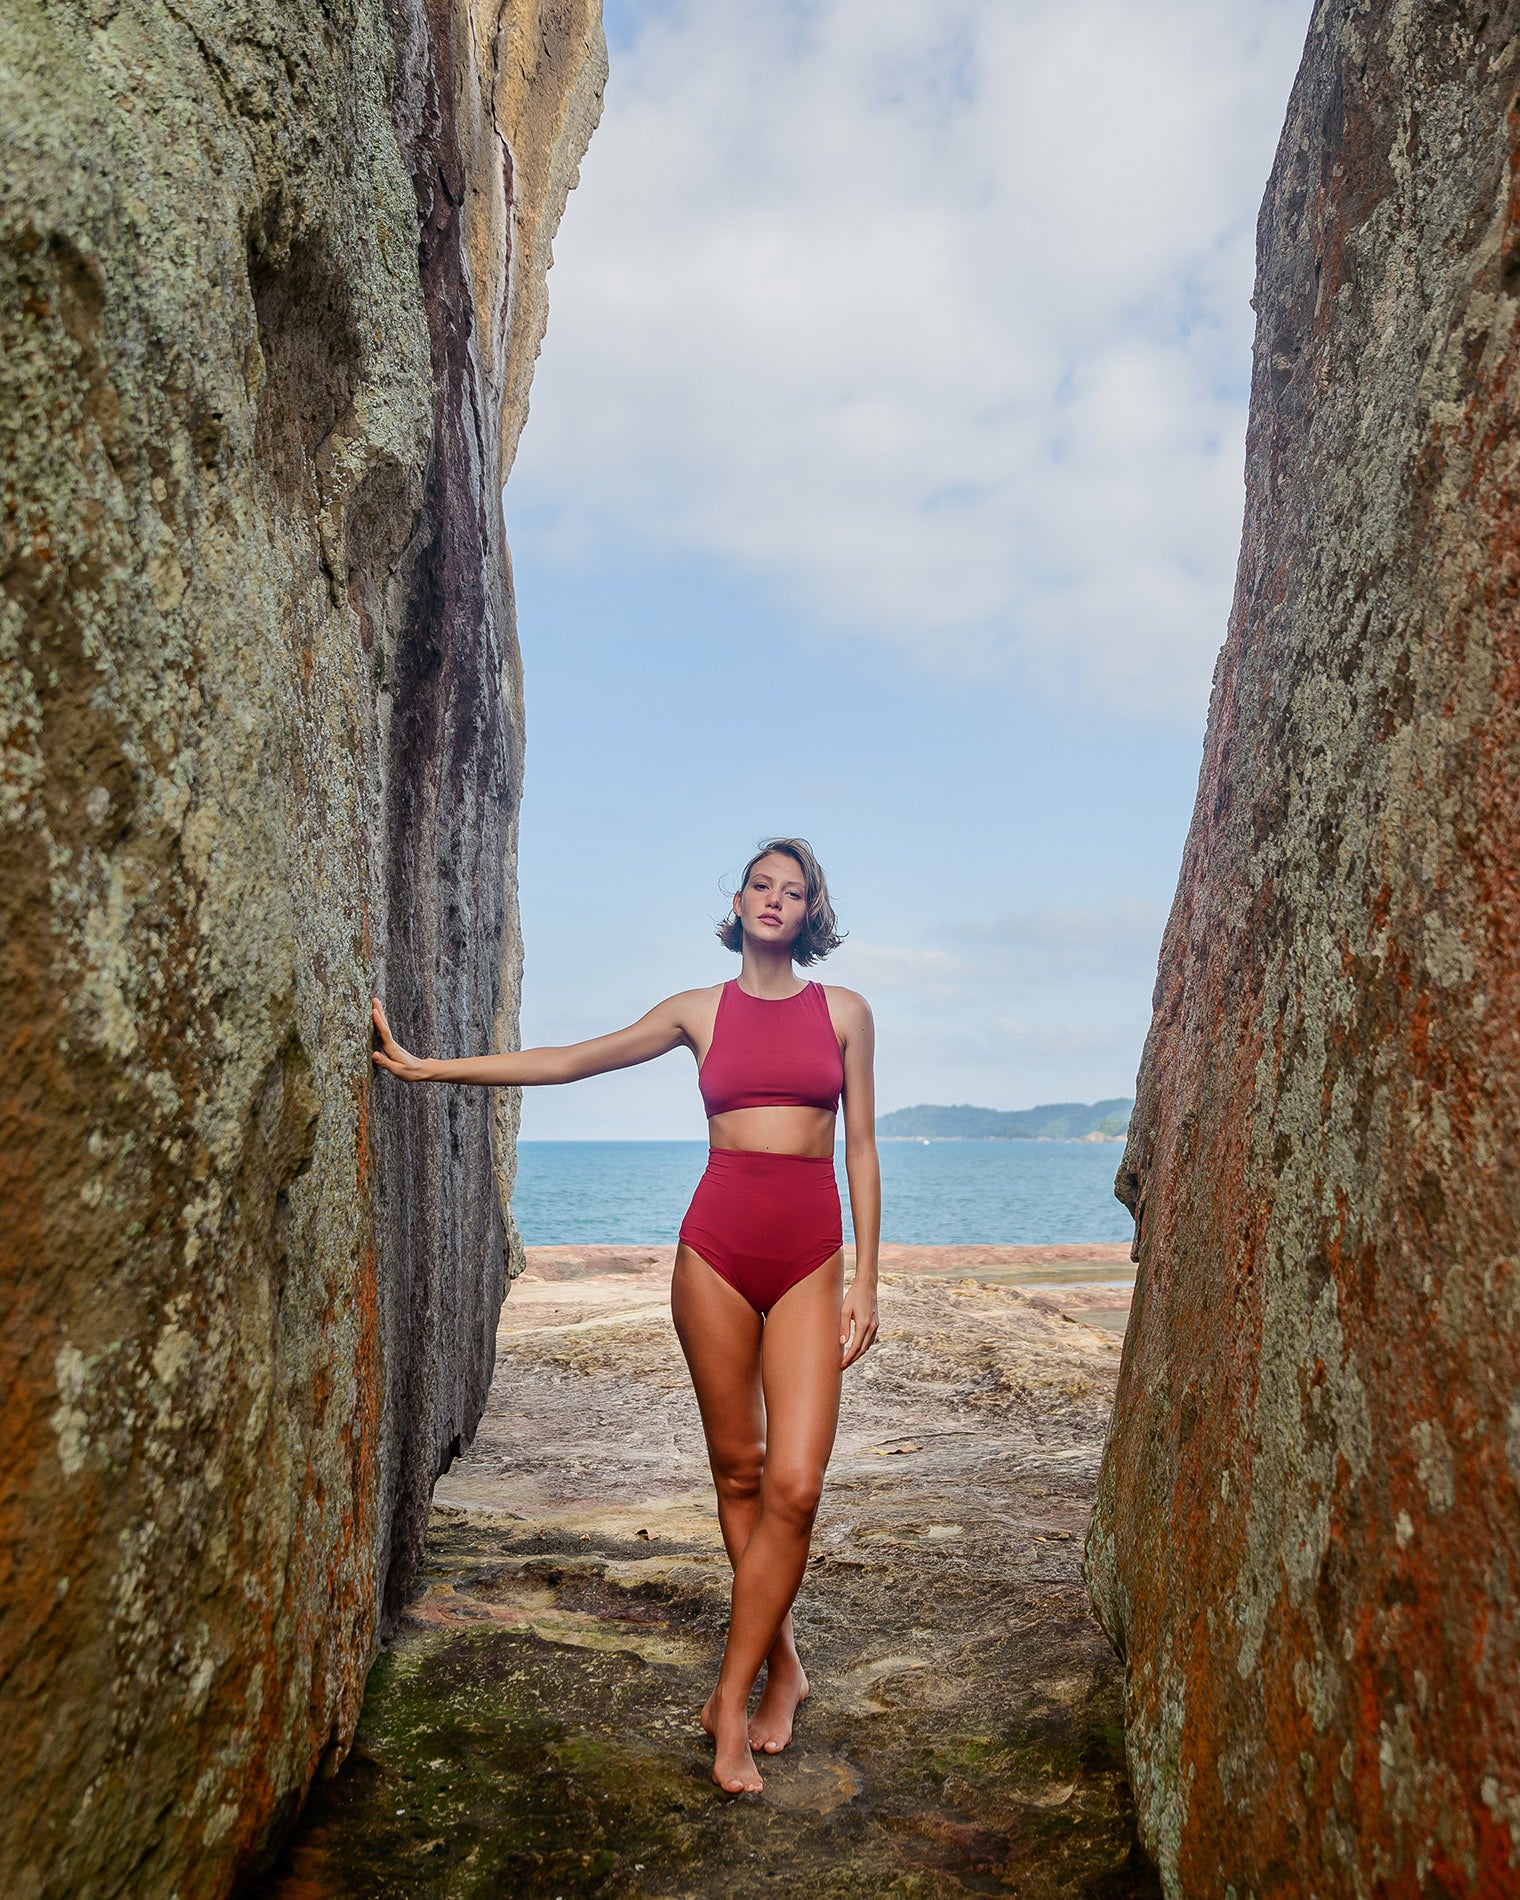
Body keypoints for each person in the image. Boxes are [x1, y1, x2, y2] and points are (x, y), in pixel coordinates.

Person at [370, 837, 880, 1795]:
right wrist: (433, 1069)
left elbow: (860, 1153)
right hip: (715, 1255)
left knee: (797, 1485)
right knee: (740, 1470)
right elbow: (575, 1060)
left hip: (812, 1258)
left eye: (795, 891)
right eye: (761, 885)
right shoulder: (698, 1011)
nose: (776, 899)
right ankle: (781, 1669)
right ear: (739, 902)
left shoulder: (844, 1012)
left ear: (813, 913)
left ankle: (726, 1699)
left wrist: (867, 1280)